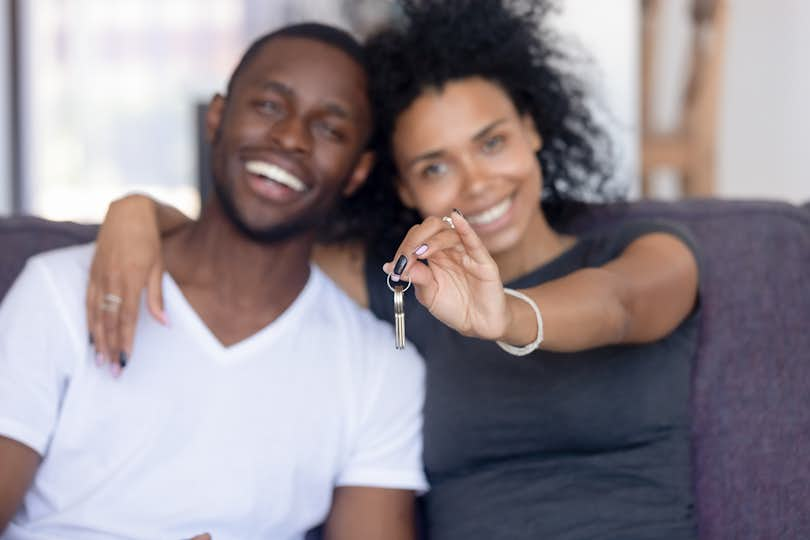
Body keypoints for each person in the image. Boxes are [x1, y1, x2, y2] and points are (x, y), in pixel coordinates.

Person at [84, 1, 702, 538]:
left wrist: (507, 313)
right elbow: (247, 247)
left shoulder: (645, 252)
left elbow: (618, 305)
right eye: (436, 167)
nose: (479, 183)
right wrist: (138, 213)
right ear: (402, 185)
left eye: (492, 143)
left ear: (532, 129)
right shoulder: (410, 285)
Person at [0, 23, 428, 540]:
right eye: (269, 105)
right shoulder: (59, 291)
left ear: (358, 171)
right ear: (218, 117)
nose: (290, 137)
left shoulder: (379, 366)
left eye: (328, 129)